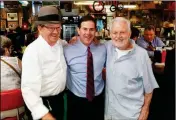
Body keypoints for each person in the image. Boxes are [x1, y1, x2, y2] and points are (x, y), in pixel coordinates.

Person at [104, 17, 159, 120]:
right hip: (110, 114)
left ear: (129, 33)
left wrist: (145, 111)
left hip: (131, 115)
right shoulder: (108, 47)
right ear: (110, 34)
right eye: (115, 33)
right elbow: (92, 44)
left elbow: (149, 88)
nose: (118, 36)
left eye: (122, 32)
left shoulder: (141, 55)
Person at [21, 6, 67, 120]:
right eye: (51, 28)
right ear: (40, 28)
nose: (56, 32)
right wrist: (44, 115)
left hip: (59, 101)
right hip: (42, 104)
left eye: (58, 27)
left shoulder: (61, 44)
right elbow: (28, 90)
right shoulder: (33, 51)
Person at [64, 15, 106, 120]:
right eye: (85, 29)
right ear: (78, 30)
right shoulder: (66, 50)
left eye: (91, 29)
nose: (88, 33)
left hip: (98, 99)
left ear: (95, 31)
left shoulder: (103, 48)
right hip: (75, 100)